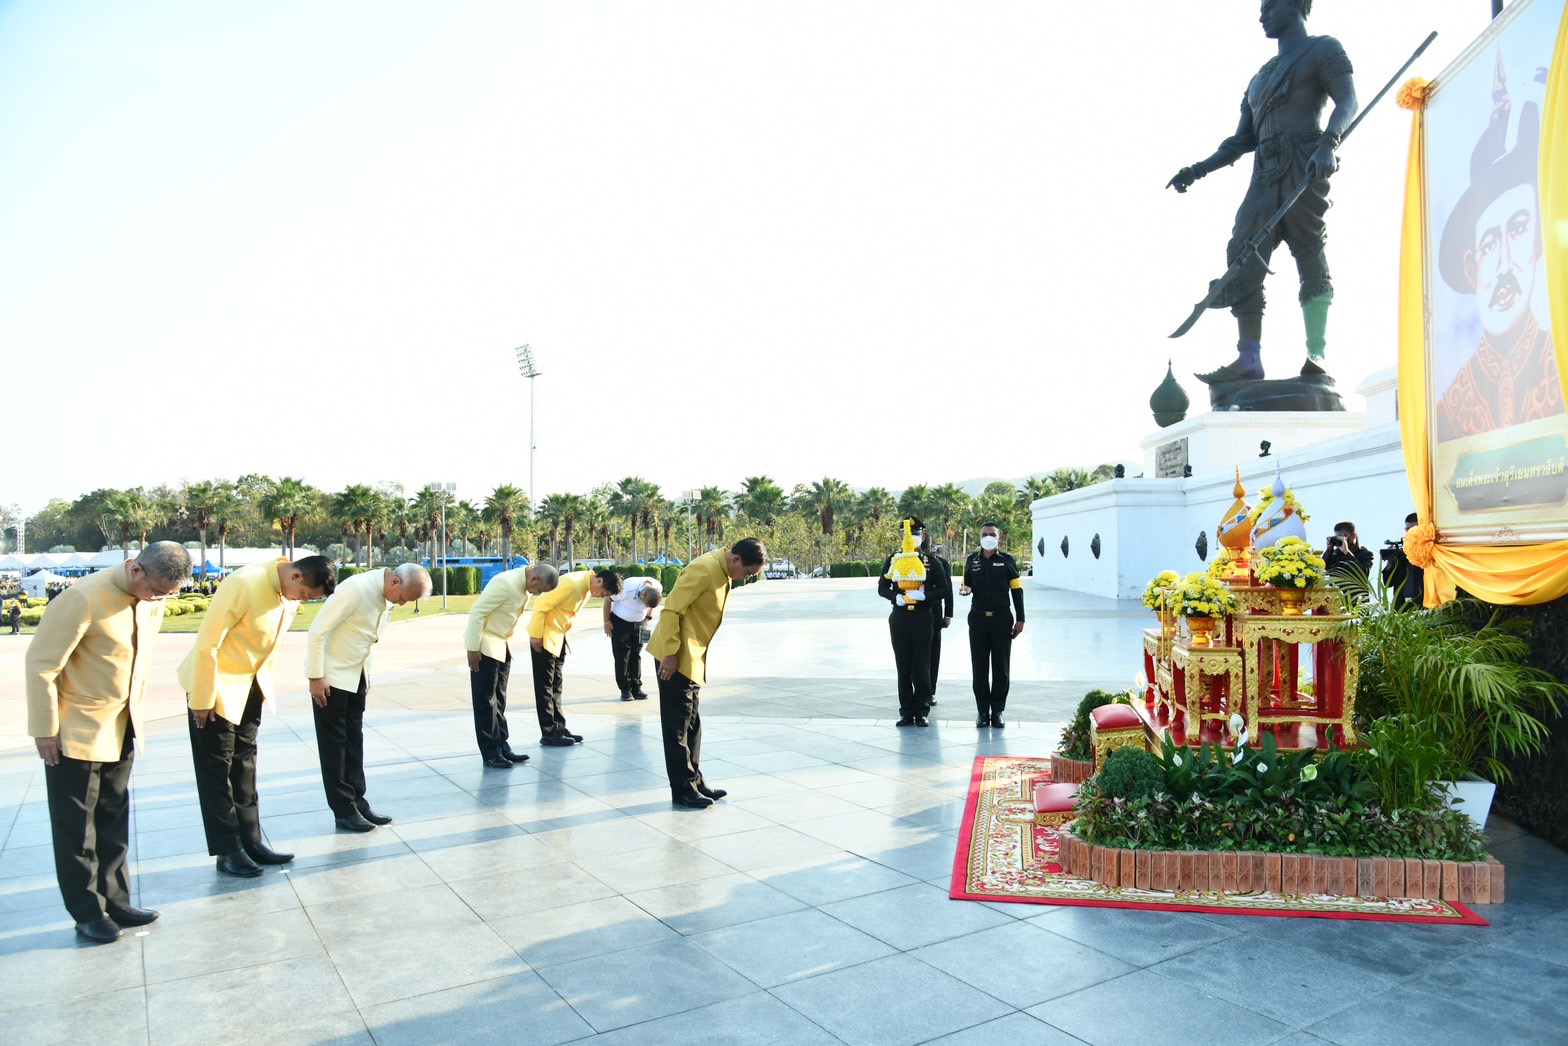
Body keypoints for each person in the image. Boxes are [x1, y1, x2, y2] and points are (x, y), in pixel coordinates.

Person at [1167, 0, 1357, 383]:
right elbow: (1240, 141)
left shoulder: (1323, 48)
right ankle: (1249, 357)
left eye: (1270, 5)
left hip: (1305, 159)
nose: (1261, 14)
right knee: (1243, 254)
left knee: (1309, 249)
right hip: (1264, 171)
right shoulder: (1259, 78)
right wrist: (1198, 169)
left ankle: (1316, 352)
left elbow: (1348, 101)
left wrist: (1328, 143)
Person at [25, 542, 191, 943]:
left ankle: (116, 900)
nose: (159, 600)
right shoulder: (82, 598)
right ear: (136, 570)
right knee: (76, 829)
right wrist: (45, 729)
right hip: (75, 731)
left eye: (168, 595)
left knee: (113, 819)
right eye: (157, 591)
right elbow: (41, 666)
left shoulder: (150, 599)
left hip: (122, 725)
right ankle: (87, 911)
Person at [179, 554, 336, 878]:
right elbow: (207, 643)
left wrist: (263, 687)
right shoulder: (243, 583)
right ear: (295, 576)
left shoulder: (285, 593)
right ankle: (227, 850)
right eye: (304, 595)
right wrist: (202, 698)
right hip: (216, 687)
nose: (301, 600)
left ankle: (251, 840)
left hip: (250, 687)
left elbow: (271, 646)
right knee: (217, 771)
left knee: (245, 765)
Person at [1434, 60, 1560, 442]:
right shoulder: (1450, 410)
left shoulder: (1560, 365)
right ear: (1471, 268)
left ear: (1537, 242)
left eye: (1518, 229)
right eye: (1489, 244)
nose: (1504, 263)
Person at [305, 563, 431, 832]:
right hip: (331, 679)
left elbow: (369, 639)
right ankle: (343, 810)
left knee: (354, 742)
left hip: (356, 676)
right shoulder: (355, 589)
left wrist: (367, 673)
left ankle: (358, 802)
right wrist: (315, 677)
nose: (402, 603)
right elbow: (317, 631)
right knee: (334, 748)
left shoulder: (385, 595)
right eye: (403, 597)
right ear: (395, 581)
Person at [649, 538, 767, 807]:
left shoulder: (723, 571)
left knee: (692, 724)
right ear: (736, 559)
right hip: (675, 657)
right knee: (677, 727)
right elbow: (671, 610)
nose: (746, 578)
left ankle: (695, 781)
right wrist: (669, 653)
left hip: (692, 657)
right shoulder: (704, 568)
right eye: (748, 573)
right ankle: (682, 789)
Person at [463, 563, 559, 768]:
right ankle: (491, 753)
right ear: (534, 579)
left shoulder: (523, 586)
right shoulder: (505, 582)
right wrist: (473, 648)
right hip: (484, 647)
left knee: (499, 701)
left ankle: (502, 747)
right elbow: (477, 612)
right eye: (539, 589)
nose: (537, 593)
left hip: (501, 646)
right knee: (486, 702)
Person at [529, 566, 622, 746]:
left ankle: (559, 728)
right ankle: (548, 732)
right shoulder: (572, 583)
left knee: (556, 685)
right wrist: (536, 635)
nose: (601, 597)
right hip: (545, 637)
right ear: (599, 581)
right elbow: (541, 604)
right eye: (603, 593)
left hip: (558, 638)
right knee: (545, 687)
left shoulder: (585, 586)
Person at [876, 517, 952, 727]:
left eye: (915, 534)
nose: (911, 538)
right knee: (903, 665)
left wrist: (925, 596)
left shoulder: (930, 561)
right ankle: (906, 710)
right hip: (900, 616)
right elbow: (882, 587)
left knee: (922, 665)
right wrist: (895, 597)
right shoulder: (894, 560)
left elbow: (944, 589)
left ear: (922, 537)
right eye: (906, 534)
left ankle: (921, 710)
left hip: (922, 616)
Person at [960, 522, 1025, 728]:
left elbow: (1016, 590)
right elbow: (967, 583)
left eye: (992, 534)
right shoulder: (972, 560)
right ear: (980, 537)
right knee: (979, 667)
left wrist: (1021, 619)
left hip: (1001, 619)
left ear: (999, 538)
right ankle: (982, 711)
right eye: (984, 534)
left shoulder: (1007, 560)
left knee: (1001, 668)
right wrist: (966, 590)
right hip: (978, 619)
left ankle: (997, 711)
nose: (988, 537)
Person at [603, 574, 663, 701]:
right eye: (644, 603)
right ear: (643, 595)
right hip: (620, 622)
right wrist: (606, 622)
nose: (644, 606)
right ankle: (625, 689)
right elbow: (607, 600)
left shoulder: (657, 587)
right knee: (623, 656)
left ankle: (636, 687)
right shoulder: (626, 589)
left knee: (636, 654)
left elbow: (651, 606)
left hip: (640, 623)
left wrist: (648, 618)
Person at [925, 535, 954, 707]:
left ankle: (930, 691)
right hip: (913, 615)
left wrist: (948, 614)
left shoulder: (941, 563)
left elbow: (948, 590)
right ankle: (918, 689)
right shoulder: (905, 560)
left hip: (934, 613)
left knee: (933, 653)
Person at [1380, 512, 1425, 607]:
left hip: (1423, 603)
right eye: (1408, 529)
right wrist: (1390, 563)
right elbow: (1388, 583)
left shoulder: (1428, 550)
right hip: (1401, 606)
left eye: (1414, 529)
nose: (1410, 532)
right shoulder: (1400, 552)